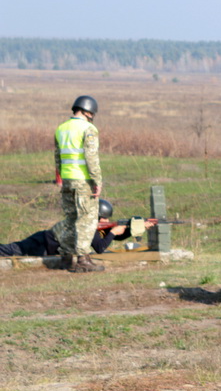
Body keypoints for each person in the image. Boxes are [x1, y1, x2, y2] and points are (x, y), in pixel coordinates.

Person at [55, 95, 106, 273]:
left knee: (70, 219)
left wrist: (62, 178)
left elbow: (58, 158)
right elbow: (91, 158)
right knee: (87, 219)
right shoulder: (88, 129)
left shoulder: (61, 128)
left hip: (67, 180)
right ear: (88, 112)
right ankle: (83, 259)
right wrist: (97, 181)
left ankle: (66, 257)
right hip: (83, 181)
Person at [0, 199, 129, 258]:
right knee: (9, 250)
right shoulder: (87, 225)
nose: (107, 221)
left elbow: (109, 238)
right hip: (41, 243)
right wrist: (113, 232)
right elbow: (100, 248)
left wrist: (130, 230)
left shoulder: (90, 224)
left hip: (46, 244)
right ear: (97, 217)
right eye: (105, 218)